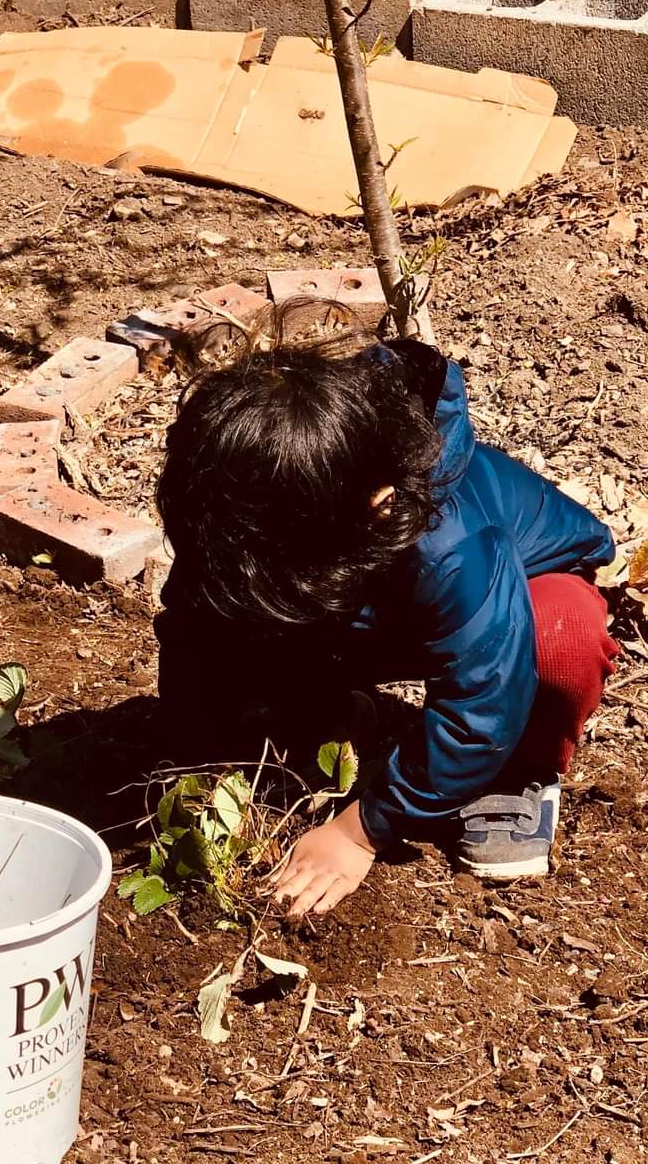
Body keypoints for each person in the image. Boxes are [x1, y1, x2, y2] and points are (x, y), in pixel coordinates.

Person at [154, 302, 620, 918]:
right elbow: (195, 629)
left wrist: (358, 831)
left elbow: (483, 697)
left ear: (379, 502)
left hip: (516, 592)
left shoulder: (453, 544)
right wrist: (196, 750)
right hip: (365, 599)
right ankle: (326, 708)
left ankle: (518, 770)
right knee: (252, 613)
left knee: (559, 640)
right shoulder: (242, 510)